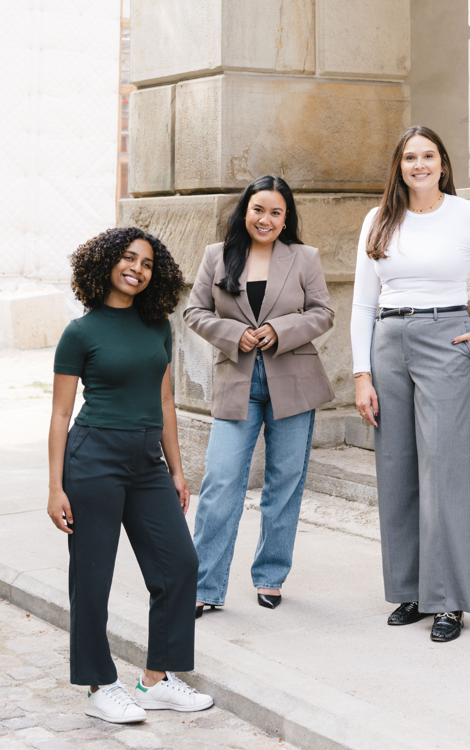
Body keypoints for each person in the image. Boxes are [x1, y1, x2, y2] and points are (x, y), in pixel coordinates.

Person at [48, 227, 214, 723]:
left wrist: (178, 471)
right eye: (127, 258)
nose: (136, 269)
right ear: (105, 264)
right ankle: (100, 686)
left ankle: (156, 680)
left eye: (146, 263)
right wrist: (55, 486)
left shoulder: (157, 325)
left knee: (180, 564)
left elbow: (165, 400)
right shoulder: (80, 332)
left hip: (147, 464)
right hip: (93, 458)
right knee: (93, 577)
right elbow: (60, 414)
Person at [351, 126, 470, 642]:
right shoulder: (379, 220)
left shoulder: (468, 216)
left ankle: (447, 601)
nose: (419, 164)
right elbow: (360, 303)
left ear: (443, 163)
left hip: (447, 336)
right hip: (388, 338)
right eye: (409, 157)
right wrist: (361, 373)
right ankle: (411, 592)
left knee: (443, 469)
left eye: (428, 156)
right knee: (396, 467)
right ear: (399, 165)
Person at [184, 175, 334, 616]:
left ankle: (270, 576)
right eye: (258, 209)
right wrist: (236, 334)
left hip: (294, 382)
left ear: (286, 218)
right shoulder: (217, 256)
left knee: (284, 483)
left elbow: (323, 312)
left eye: (275, 212)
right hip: (237, 384)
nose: (265, 219)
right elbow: (195, 310)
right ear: (244, 210)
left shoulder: (304, 258)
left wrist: (279, 330)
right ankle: (204, 587)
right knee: (220, 483)